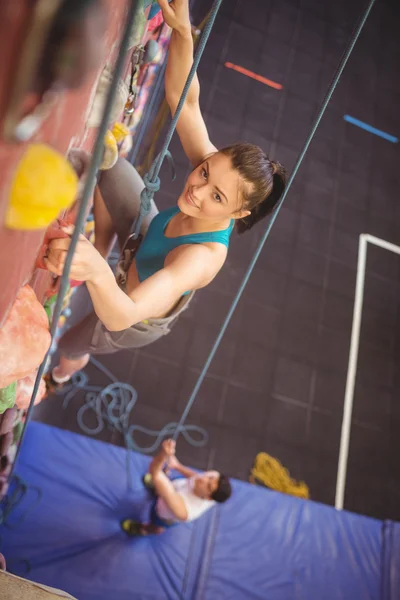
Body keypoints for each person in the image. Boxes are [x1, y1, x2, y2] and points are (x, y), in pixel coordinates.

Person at [44, 0, 287, 385]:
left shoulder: (202, 258)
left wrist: (93, 271)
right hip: (141, 245)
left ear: (239, 214)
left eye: (218, 197)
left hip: (131, 311)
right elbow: (184, 99)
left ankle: (62, 374)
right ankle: (101, 254)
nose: (198, 189)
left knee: (69, 345)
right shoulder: (212, 176)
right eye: (204, 172)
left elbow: (122, 313)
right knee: (113, 168)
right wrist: (181, 32)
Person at [121, 439, 232, 535]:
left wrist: (162, 456)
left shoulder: (185, 511)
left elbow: (155, 473)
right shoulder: (214, 477)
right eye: (209, 478)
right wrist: (177, 466)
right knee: (161, 484)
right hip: (175, 487)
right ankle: (158, 486)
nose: (203, 478)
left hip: (162, 513)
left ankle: (147, 529)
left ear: (209, 498)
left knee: (156, 523)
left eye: (208, 486)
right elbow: (196, 476)